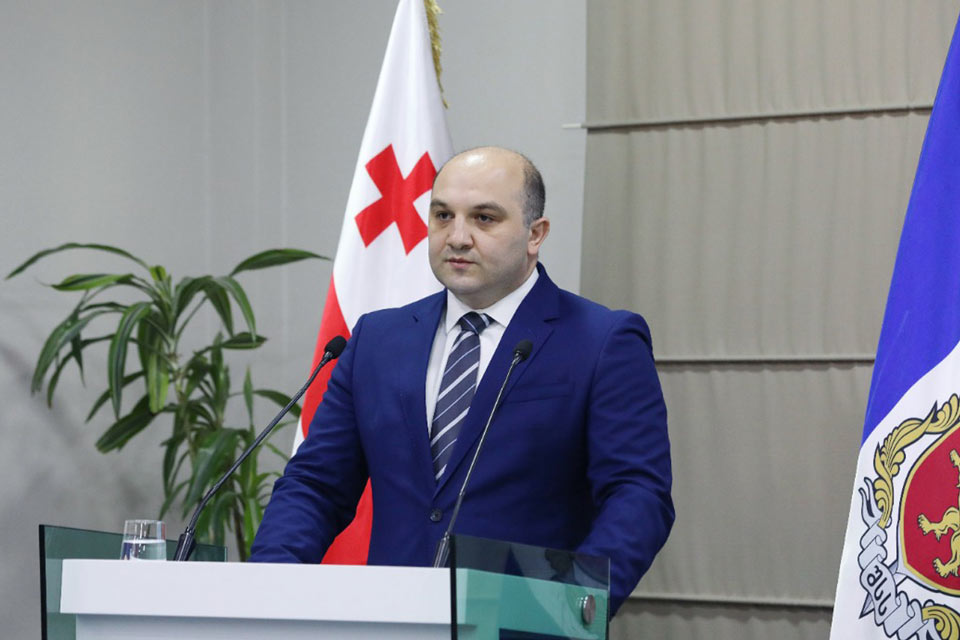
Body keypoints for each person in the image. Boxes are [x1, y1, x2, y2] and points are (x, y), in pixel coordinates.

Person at [249, 146, 674, 615]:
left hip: (523, 620)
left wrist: (573, 607)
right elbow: (316, 485)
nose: (457, 237)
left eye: (484, 219)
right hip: (389, 621)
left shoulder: (601, 340)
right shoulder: (377, 339)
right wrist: (267, 587)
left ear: (535, 234)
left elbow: (637, 495)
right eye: (443, 216)